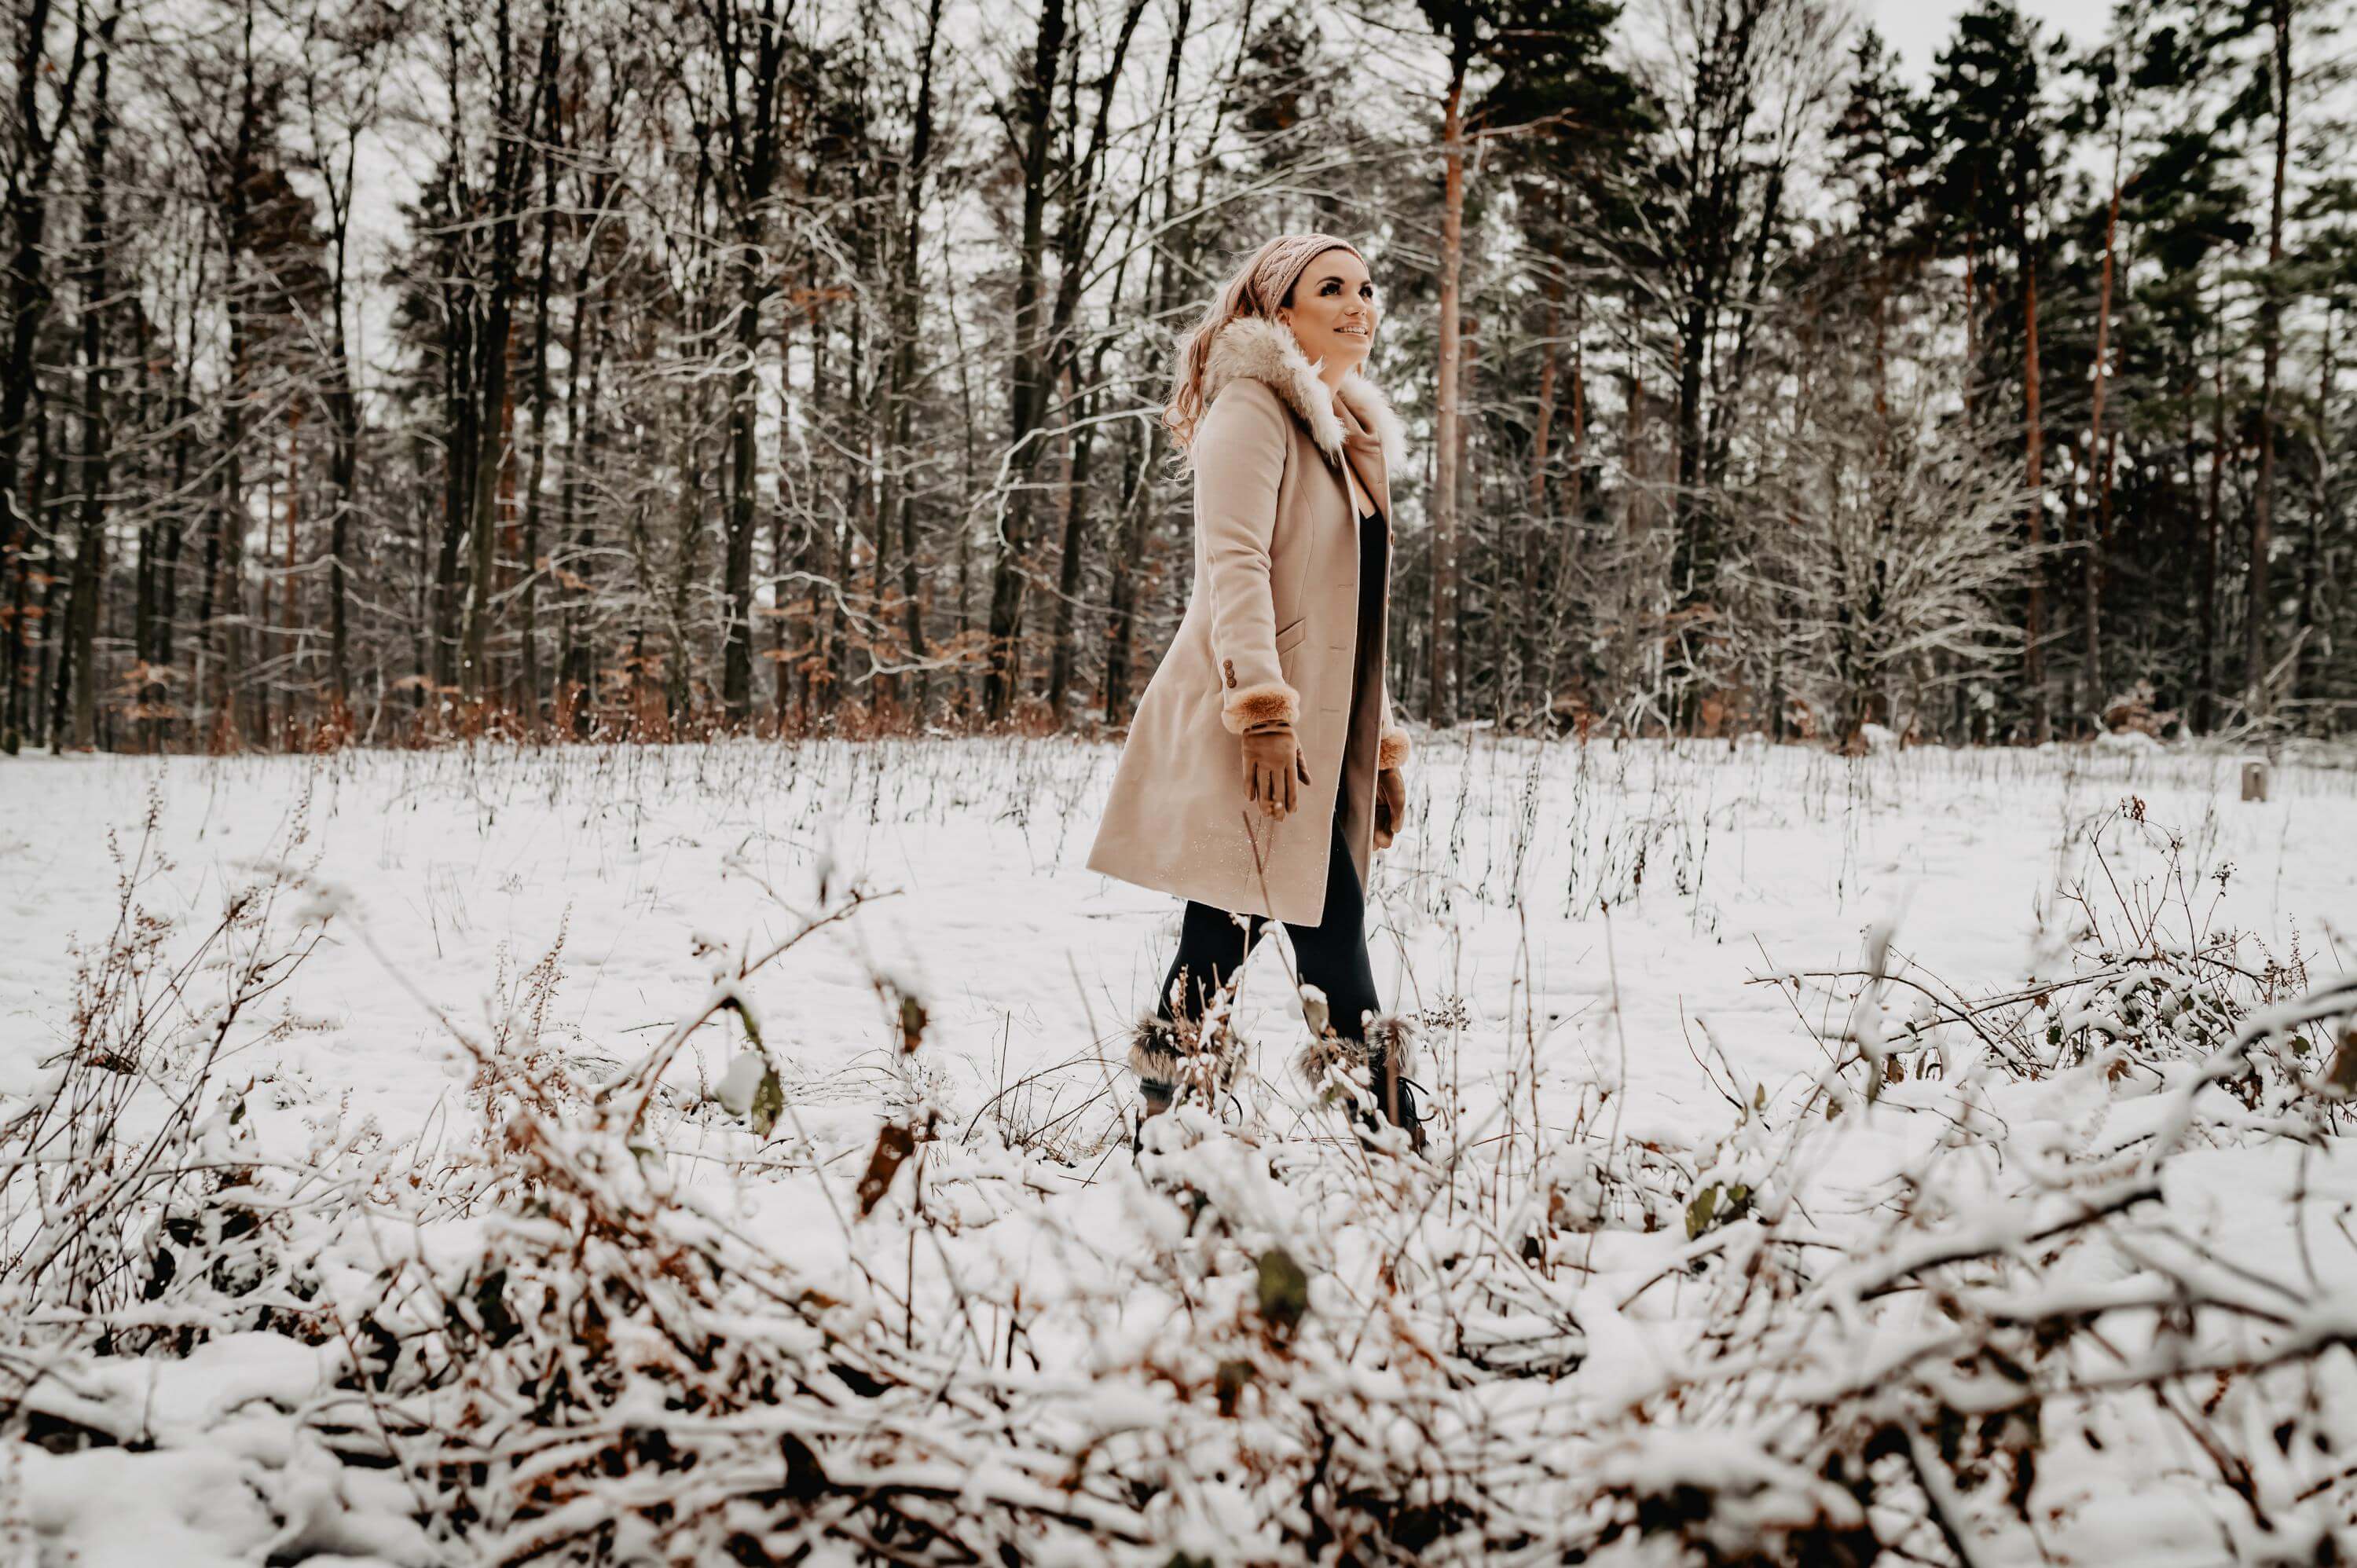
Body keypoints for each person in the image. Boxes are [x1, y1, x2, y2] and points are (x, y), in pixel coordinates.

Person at [1085, 233, 1423, 1153]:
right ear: (1281, 309)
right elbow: (1233, 567)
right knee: (1330, 933)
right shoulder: (1253, 406)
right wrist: (1263, 713)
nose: (1359, 305)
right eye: (1333, 288)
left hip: (1323, 733)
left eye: (1367, 288)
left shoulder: (1346, 433)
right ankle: (1397, 1144)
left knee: (1219, 936)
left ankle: (1162, 1125)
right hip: (1264, 729)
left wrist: (1381, 748)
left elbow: (1350, 616)